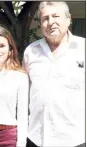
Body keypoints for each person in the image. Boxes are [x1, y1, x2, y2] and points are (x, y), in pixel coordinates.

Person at [23, 2, 85, 147]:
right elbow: (24, 93)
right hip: (37, 138)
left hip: (75, 140)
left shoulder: (83, 48)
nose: (51, 22)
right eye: (45, 18)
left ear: (68, 19)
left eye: (56, 16)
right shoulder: (31, 52)